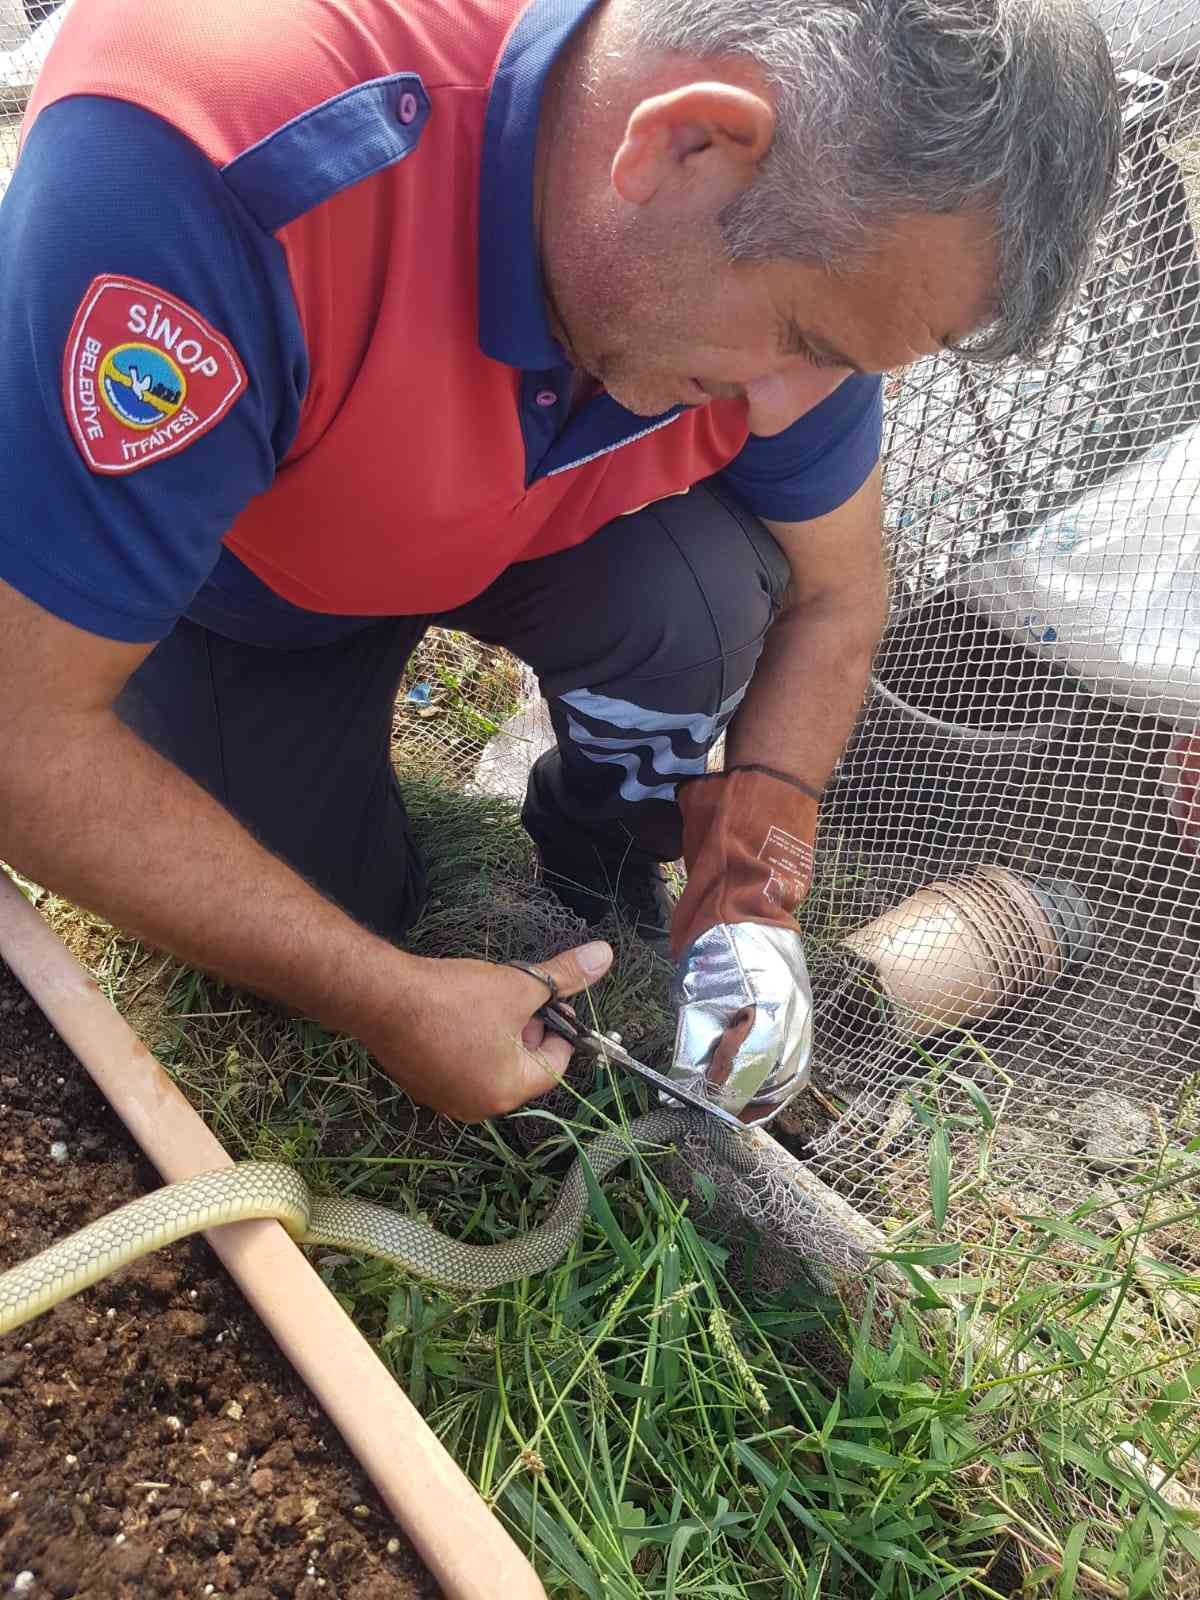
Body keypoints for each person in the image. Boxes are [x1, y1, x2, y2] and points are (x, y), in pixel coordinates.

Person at [0, 0, 1118, 1124]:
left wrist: (752, 894)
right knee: (327, 921)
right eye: (808, 341)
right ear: (685, 143)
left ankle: (598, 853)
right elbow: (21, 736)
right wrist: (386, 995)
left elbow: (837, 594)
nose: (796, 409)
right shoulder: (206, 163)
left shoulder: (795, 235)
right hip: (260, 578)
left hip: (531, 518)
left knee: (703, 607)